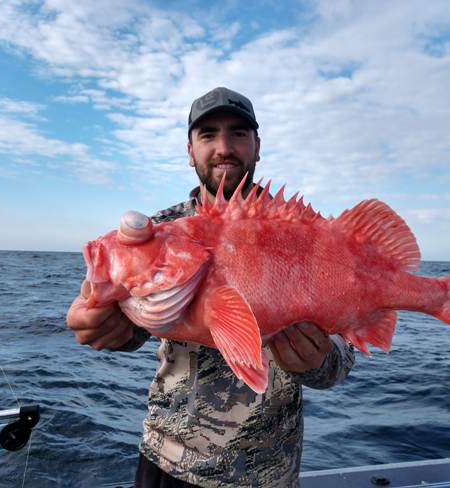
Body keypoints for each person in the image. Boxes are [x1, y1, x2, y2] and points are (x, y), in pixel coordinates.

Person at [66, 87, 355, 488]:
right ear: (190, 151)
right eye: (207, 135)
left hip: (268, 471)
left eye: (238, 133)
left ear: (257, 147)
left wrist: (318, 362)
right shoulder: (162, 230)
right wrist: (104, 326)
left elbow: (342, 359)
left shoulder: (304, 233)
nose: (224, 147)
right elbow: (135, 324)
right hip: (167, 460)